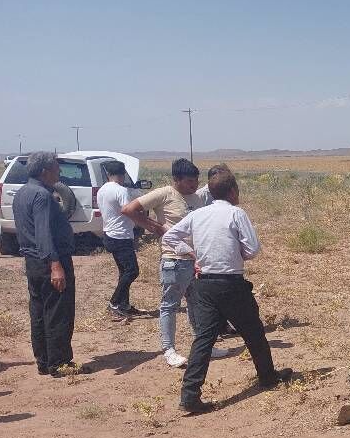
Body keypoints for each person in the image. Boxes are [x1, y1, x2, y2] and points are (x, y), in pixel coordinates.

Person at [162, 170, 293, 414]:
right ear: (233, 191)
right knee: (253, 333)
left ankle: (189, 395)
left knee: (203, 339)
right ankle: (267, 377)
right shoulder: (235, 213)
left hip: (203, 286)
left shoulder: (198, 214)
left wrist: (191, 254)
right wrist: (238, 253)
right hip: (231, 284)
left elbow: (169, 237)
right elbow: (252, 249)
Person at [122, 158, 226, 367]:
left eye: (196, 180)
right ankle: (169, 350)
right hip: (174, 260)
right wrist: (155, 227)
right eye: (189, 181)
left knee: (197, 304)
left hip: (195, 261)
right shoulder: (165, 194)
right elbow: (129, 209)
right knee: (170, 305)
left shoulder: (197, 197)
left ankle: (203, 345)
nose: (193, 185)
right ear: (176, 180)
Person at [12, 153, 78, 377]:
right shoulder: (41, 195)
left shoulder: (22, 192)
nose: (59, 173)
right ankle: (59, 363)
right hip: (50, 260)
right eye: (56, 169)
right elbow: (43, 233)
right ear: (44, 171)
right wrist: (55, 265)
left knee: (39, 310)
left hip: (33, 262)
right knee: (58, 311)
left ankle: (43, 360)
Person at [96, 160, 139, 319]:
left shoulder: (102, 190)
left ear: (108, 174)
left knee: (124, 272)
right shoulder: (121, 191)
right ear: (123, 174)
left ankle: (124, 304)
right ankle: (114, 302)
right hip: (121, 236)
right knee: (132, 271)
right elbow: (129, 211)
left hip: (109, 234)